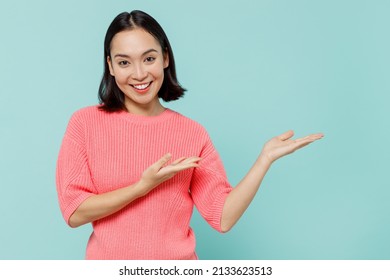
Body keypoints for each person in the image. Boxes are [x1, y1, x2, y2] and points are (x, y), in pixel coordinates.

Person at [56, 10, 323, 260]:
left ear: (165, 58)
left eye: (149, 59)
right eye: (124, 62)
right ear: (111, 66)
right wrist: (142, 187)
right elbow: (75, 212)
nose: (139, 74)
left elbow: (222, 217)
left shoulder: (191, 133)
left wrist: (264, 160)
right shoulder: (85, 123)